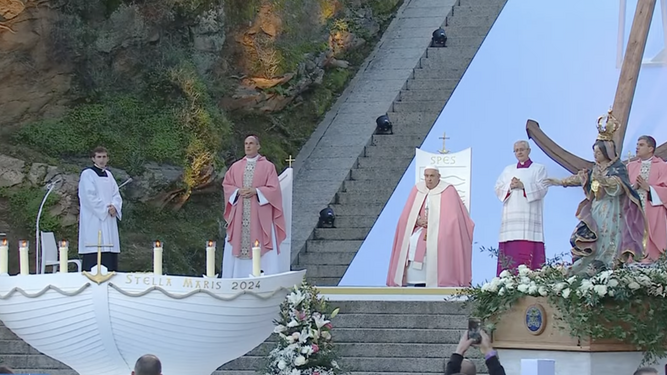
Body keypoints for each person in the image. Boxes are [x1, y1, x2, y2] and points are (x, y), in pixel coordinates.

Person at [546, 112, 646, 273]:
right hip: (597, 207)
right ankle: (592, 265)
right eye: (594, 152)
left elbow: (620, 186)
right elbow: (580, 179)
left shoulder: (617, 168)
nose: (595, 155)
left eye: (598, 153)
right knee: (595, 235)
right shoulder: (595, 169)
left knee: (609, 235)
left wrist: (605, 181)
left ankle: (609, 264)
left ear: (606, 152)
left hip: (612, 208)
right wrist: (559, 181)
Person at [386, 166, 474, 287]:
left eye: (432, 176)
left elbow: (454, 217)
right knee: (412, 240)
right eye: (426, 176)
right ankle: (415, 279)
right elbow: (407, 214)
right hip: (421, 228)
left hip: (441, 229)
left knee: (439, 241)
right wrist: (417, 220)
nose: (429, 179)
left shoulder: (448, 190)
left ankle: (440, 279)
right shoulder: (418, 189)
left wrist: (435, 222)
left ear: (439, 177)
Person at [222, 135, 286, 278]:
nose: (248, 146)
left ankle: (265, 276)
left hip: (259, 214)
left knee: (262, 242)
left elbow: (274, 189)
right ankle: (236, 277)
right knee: (237, 241)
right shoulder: (236, 166)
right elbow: (227, 185)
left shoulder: (268, 167)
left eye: (251, 143)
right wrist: (237, 191)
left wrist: (256, 191)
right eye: (246, 143)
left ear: (258, 146)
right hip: (239, 215)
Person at [494, 140, 549, 275]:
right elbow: (498, 188)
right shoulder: (508, 170)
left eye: (522, 149)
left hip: (529, 219)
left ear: (528, 151)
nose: (519, 152)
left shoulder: (539, 169)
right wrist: (509, 186)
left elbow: (543, 188)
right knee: (510, 254)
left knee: (528, 252)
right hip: (511, 220)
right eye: (516, 150)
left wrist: (523, 186)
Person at [78, 146, 122, 272]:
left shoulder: (109, 175)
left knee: (109, 249)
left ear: (107, 158)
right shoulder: (87, 174)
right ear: (93, 159)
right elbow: (88, 196)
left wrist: (115, 206)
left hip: (109, 218)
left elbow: (116, 194)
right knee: (95, 247)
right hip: (94, 219)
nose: (101, 160)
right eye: (99, 157)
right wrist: (105, 209)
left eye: (104, 157)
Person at [627, 135, 667, 261]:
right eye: (637, 144)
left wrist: (649, 188)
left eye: (641, 145)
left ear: (651, 148)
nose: (637, 147)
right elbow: (624, 190)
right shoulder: (630, 167)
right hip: (634, 210)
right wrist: (634, 187)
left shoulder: (663, 166)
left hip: (654, 210)